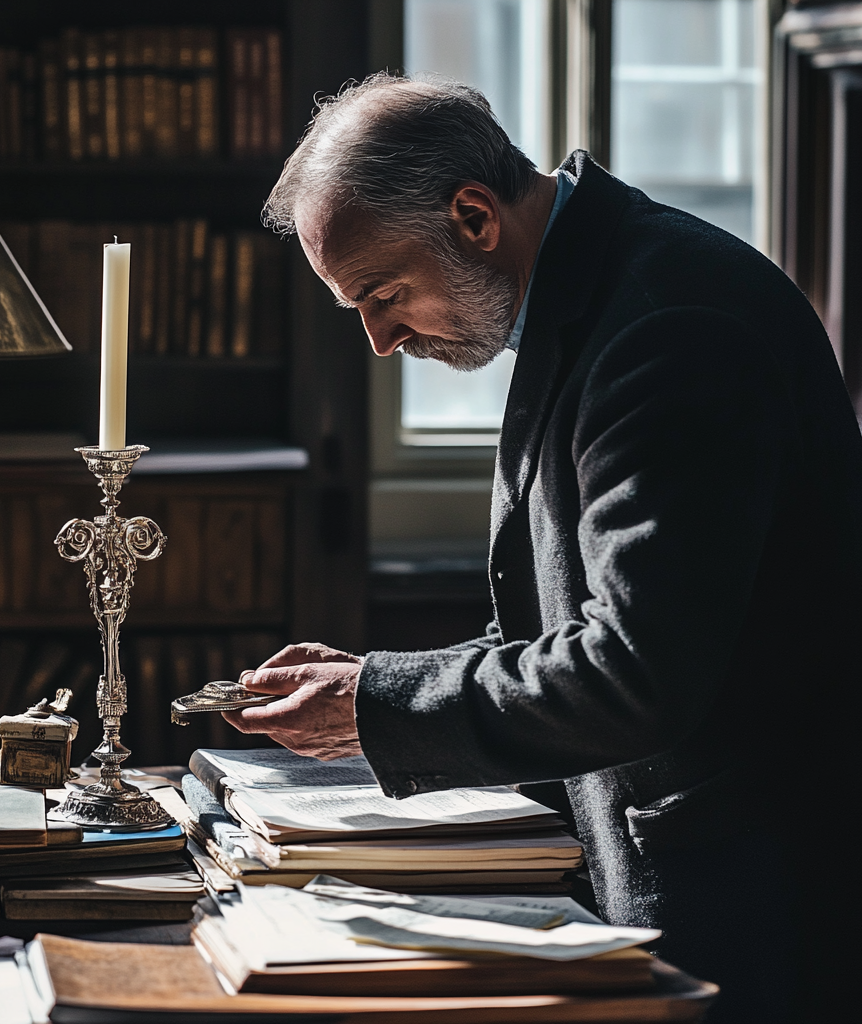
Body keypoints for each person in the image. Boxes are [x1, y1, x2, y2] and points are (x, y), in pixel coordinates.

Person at [223, 74, 862, 1022]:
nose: (380, 339)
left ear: (474, 215)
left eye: (385, 293)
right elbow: (557, 622)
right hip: (676, 859)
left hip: (748, 893)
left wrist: (381, 703)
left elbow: (633, 669)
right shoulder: (589, 294)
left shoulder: (670, 326)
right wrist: (374, 683)